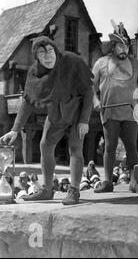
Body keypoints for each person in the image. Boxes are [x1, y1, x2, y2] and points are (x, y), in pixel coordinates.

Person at [0, 36, 94, 205]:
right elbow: (27, 101)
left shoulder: (72, 61)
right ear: (37, 57)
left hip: (76, 111)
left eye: (50, 51)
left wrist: (84, 120)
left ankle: (74, 191)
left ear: (56, 51)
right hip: (56, 114)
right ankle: (47, 189)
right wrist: (15, 129)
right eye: (43, 53)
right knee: (45, 144)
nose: (48, 56)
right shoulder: (34, 73)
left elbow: (88, 91)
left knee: (75, 147)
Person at [92, 21, 138, 194]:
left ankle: (134, 182)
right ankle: (108, 182)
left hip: (130, 112)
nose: (123, 49)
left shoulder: (135, 63)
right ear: (113, 46)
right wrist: (95, 101)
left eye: (126, 46)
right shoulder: (101, 63)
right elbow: (91, 86)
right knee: (109, 147)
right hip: (109, 111)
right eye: (120, 46)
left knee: (132, 146)